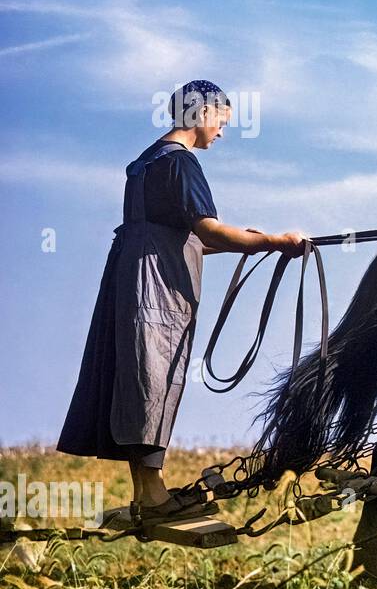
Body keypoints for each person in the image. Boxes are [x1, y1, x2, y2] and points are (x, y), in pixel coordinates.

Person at [56, 80, 306, 528]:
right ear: (202, 113)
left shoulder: (143, 165)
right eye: (221, 123)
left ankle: (146, 490)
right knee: (155, 379)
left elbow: (179, 238)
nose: (222, 134)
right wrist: (275, 240)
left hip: (132, 281)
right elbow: (208, 233)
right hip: (160, 289)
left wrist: (249, 242)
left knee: (138, 382)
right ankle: (152, 495)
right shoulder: (183, 165)